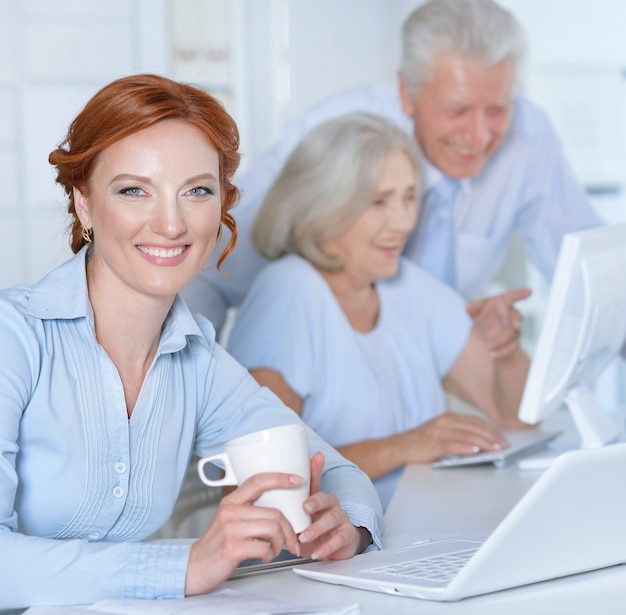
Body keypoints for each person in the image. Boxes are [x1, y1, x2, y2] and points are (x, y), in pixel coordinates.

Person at [0, 74, 383, 609]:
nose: (171, 223)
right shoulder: (13, 338)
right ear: (84, 204)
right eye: (135, 190)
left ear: (221, 204)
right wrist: (187, 565)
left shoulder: (196, 357)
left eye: (197, 191)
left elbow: (340, 473)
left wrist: (347, 525)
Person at [182, 0, 602, 357]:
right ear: (407, 94)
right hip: (329, 370)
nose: (479, 137)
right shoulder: (340, 136)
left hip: (424, 381)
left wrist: (472, 328)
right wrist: (189, 395)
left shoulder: (528, 139)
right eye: (456, 110)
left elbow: (593, 274)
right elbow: (211, 269)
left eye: (497, 109)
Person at [227, 113, 531, 509]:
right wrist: (404, 446)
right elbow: (264, 482)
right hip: (328, 556)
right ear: (324, 208)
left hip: (420, 533)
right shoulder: (289, 292)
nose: (404, 221)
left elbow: (516, 414)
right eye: (379, 202)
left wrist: (505, 348)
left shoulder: (406, 284)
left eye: (409, 197)